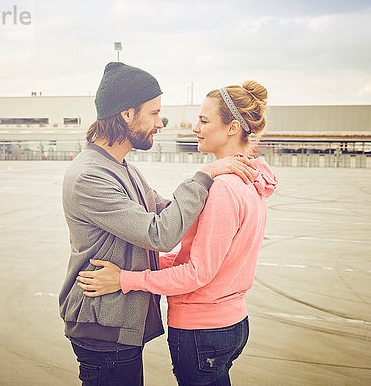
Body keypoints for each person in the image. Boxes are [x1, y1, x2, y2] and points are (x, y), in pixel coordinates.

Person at [59, 62, 257, 386]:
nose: (160, 123)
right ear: (127, 114)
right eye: (154, 113)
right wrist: (207, 174)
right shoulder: (90, 176)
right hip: (102, 329)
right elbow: (161, 233)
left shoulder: (124, 168)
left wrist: (228, 200)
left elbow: (169, 212)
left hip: (117, 325)